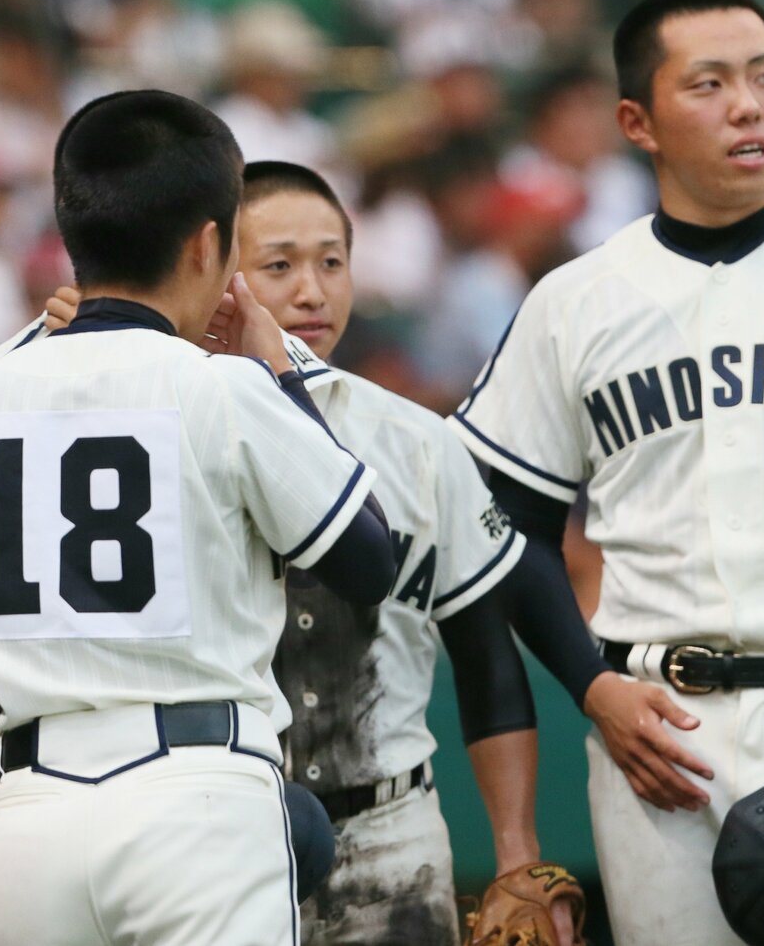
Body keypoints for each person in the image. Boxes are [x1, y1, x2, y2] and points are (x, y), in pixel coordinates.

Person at [0, 89, 396, 946]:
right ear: (209, 242)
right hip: (197, 800)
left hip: (27, 812)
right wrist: (279, 375)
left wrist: (2, 803)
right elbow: (368, 564)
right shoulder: (224, 386)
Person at [449, 0, 764, 945]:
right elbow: (500, 527)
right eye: (708, 83)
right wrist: (592, 686)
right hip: (657, 743)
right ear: (638, 120)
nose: (749, 105)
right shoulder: (577, 299)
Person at [230, 160, 580, 944]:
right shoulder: (168, 426)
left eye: (332, 261)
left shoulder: (421, 440)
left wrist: (516, 853)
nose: (312, 291)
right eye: (278, 264)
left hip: (396, 835)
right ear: (218, 272)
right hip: (225, 835)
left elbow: (487, 659)